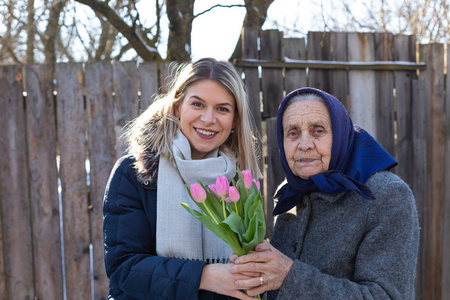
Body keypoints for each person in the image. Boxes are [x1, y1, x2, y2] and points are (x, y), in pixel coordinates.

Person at [229, 87, 420, 299]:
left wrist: (288, 276)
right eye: (293, 133)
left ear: (340, 134)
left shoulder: (386, 196)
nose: (304, 145)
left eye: (317, 130)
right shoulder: (292, 191)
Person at [103, 57, 262, 300]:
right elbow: (124, 268)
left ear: (235, 121)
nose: (208, 119)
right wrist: (204, 276)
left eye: (222, 109)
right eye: (197, 104)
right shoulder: (136, 174)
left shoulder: (239, 184)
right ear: (178, 107)